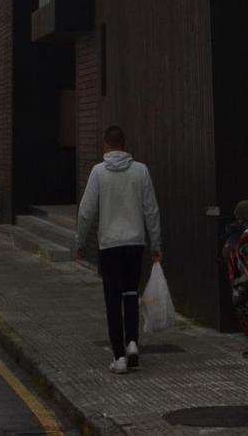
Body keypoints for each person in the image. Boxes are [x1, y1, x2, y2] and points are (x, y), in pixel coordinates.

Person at [75, 125, 162, 374]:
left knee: (112, 300)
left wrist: (80, 242)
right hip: (135, 243)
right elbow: (151, 210)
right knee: (130, 294)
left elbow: (86, 211)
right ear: (125, 145)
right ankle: (132, 342)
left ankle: (118, 357)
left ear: (105, 145)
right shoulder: (141, 171)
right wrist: (156, 244)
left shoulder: (98, 173)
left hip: (110, 245)